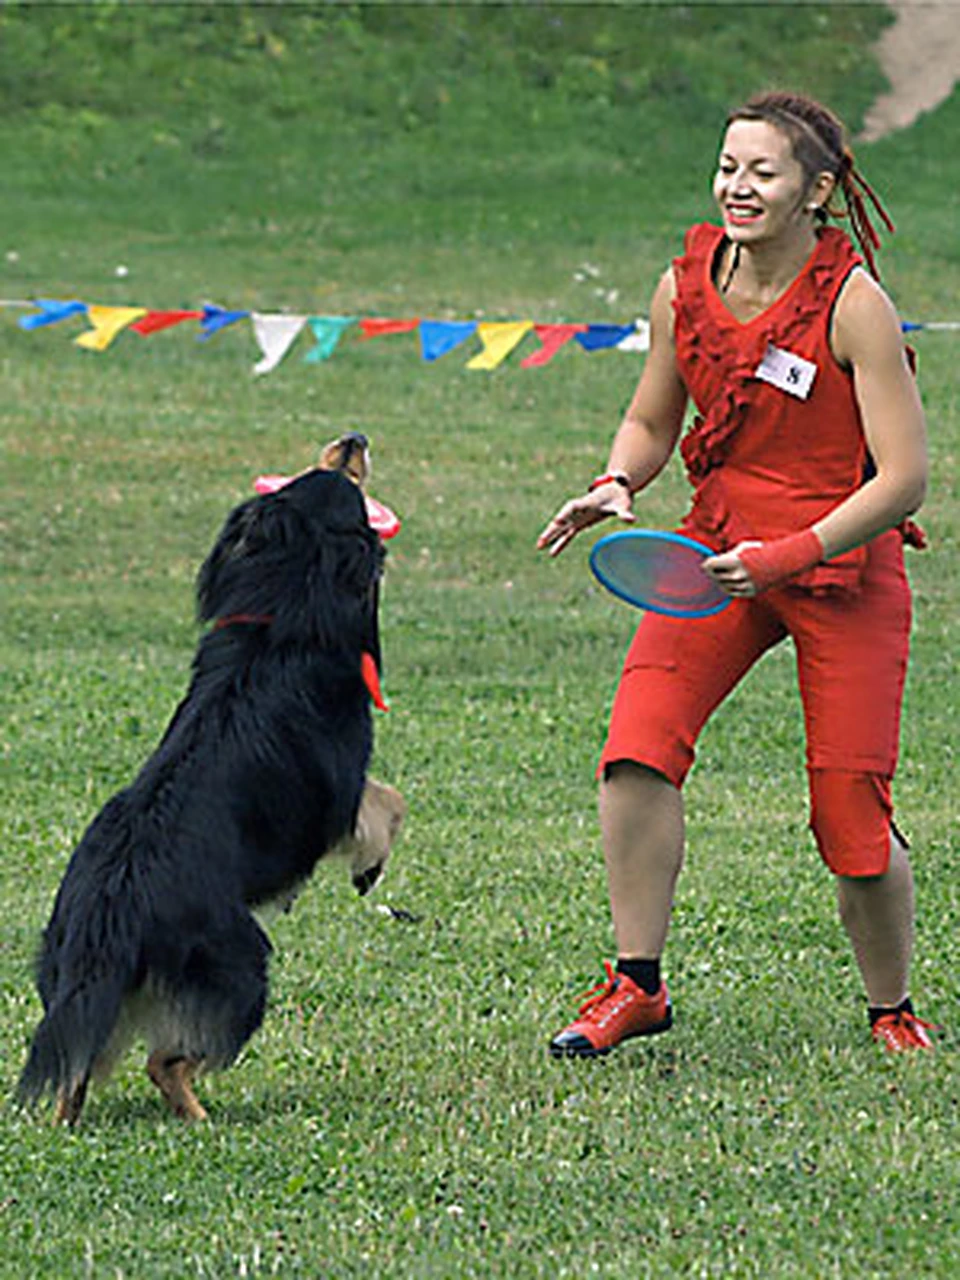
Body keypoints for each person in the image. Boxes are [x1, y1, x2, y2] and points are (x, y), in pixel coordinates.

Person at [537, 91, 936, 1057]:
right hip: (715, 558)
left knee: (850, 814)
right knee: (635, 751)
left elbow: (908, 480)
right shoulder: (685, 287)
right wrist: (618, 479)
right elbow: (650, 417)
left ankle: (891, 1010)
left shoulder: (854, 304)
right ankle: (637, 985)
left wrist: (789, 557)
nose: (738, 187)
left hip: (839, 569)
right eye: (728, 167)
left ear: (818, 190)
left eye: (763, 171)